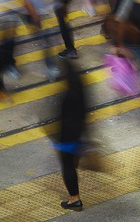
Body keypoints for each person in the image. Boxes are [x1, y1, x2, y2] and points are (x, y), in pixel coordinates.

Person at [53, 59, 88, 212]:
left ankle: (75, 199)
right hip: (78, 133)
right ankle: (75, 197)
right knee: (71, 164)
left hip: (67, 135)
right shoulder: (81, 90)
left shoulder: (69, 94)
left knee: (67, 166)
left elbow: (63, 116)